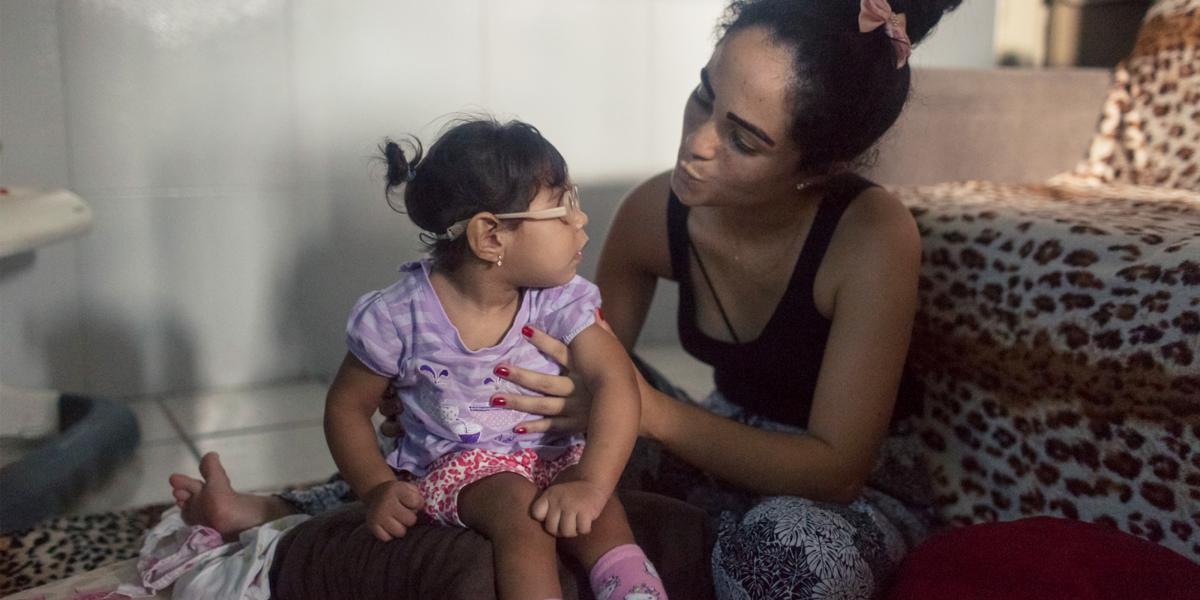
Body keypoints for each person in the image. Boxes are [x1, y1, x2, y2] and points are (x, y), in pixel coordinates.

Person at [171, 0, 963, 597]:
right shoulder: (661, 209)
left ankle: (661, 551)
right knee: (499, 434)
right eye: (701, 98)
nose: (696, 141)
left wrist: (640, 413)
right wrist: (452, 387)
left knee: (792, 560)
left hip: (835, 485)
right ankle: (287, 507)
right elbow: (561, 374)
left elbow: (837, 472)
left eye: (744, 138)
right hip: (705, 449)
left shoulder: (870, 236)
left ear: (815, 167)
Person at [171, 117, 667, 600]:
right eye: (561, 209)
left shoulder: (561, 298)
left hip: (557, 453)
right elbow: (347, 408)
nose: (580, 221)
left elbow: (616, 383)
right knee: (520, 513)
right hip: (464, 469)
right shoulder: (398, 316)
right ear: (490, 236)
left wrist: (592, 483)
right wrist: (376, 488)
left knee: (602, 515)